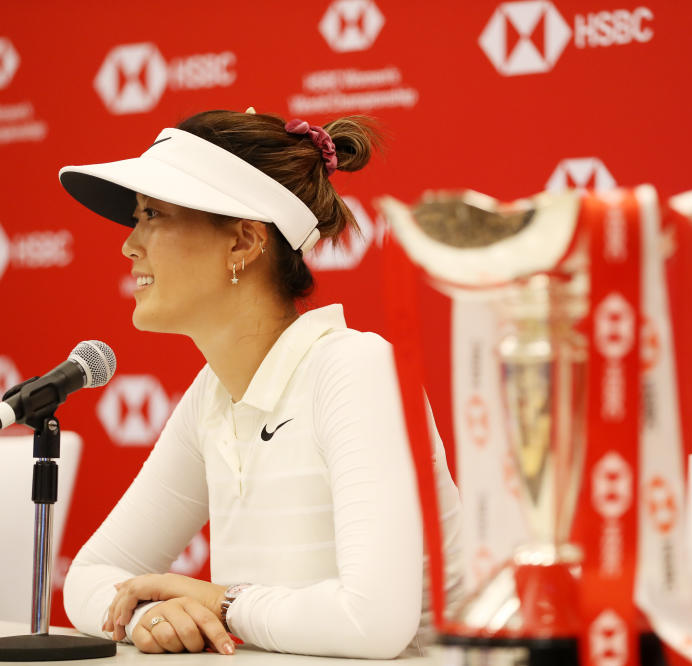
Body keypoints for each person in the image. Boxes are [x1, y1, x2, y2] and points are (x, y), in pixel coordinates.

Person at [58, 108, 463, 658]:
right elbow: (90, 575)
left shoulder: (356, 368)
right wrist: (152, 616)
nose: (130, 245)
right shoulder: (212, 394)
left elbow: (374, 625)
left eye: (153, 214)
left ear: (244, 243)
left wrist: (220, 603)